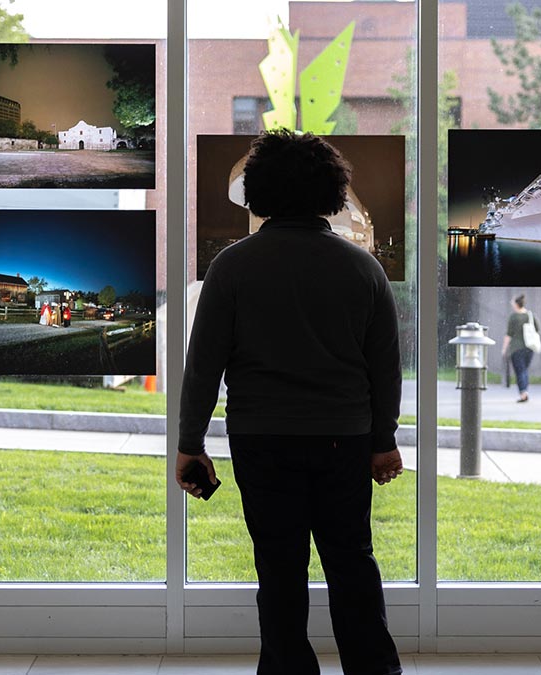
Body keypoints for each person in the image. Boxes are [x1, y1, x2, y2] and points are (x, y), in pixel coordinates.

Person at [177, 128, 405, 675]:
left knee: (279, 571)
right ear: (333, 194)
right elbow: (385, 371)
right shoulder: (363, 269)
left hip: (262, 441)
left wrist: (190, 445)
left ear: (258, 194)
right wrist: (384, 442)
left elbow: (204, 366)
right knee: (351, 564)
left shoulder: (232, 267)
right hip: (344, 440)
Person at [501, 294, 539, 403]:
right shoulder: (530, 315)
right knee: (524, 370)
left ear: (516, 304)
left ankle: (523, 393)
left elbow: (508, 335)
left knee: (520, 371)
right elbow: (537, 329)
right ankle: (525, 391)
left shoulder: (513, 317)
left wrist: (504, 349)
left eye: (513, 303)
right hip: (529, 348)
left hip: (516, 349)